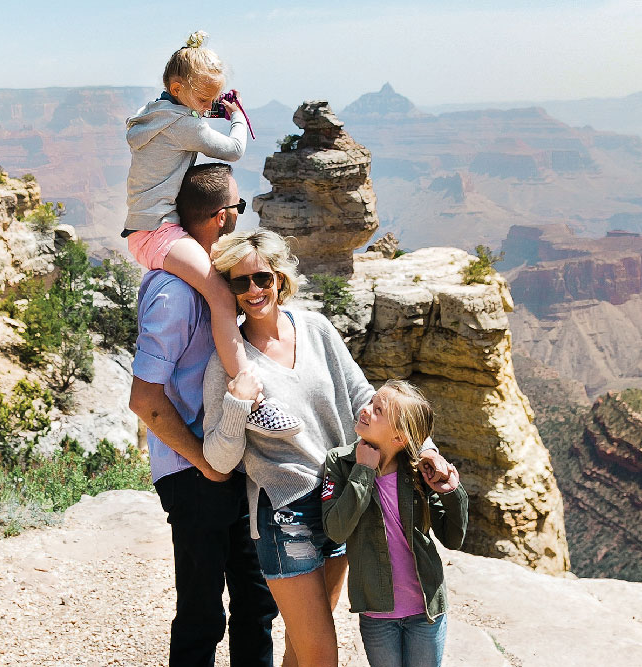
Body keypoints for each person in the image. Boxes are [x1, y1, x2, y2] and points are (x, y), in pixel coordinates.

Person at [200, 230, 454, 667]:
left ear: (279, 278)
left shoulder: (315, 328)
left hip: (343, 500)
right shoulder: (227, 359)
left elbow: (362, 394)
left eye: (261, 278)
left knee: (301, 649)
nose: (253, 291)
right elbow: (218, 460)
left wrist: (425, 448)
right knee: (321, 655)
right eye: (239, 283)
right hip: (286, 515)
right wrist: (238, 403)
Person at [128, 163, 279, 667]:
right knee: (201, 613)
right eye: (238, 207)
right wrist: (203, 463)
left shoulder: (217, 280)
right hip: (193, 471)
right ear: (220, 217)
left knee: (256, 602)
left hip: (234, 460)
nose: (241, 214)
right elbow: (144, 398)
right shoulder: (174, 294)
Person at [125, 30, 301, 439]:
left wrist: (205, 107)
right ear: (177, 88)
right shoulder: (181, 125)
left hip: (147, 231)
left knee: (220, 283)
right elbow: (232, 149)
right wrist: (235, 114)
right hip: (157, 233)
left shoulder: (152, 114)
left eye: (213, 101)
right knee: (222, 294)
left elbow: (192, 121)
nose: (207, 109)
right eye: (204, 101)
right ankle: (253, 401)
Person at [322, 380, 469, 667]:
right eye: (370, 403)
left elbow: (452, 538)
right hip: (377, 615)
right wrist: (363, 471)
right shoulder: (340, 463)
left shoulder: (418, 470)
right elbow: (335, 531)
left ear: (399, 438)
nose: (364, 410)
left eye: (377, 410)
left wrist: (452, 491)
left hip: (426, 610)